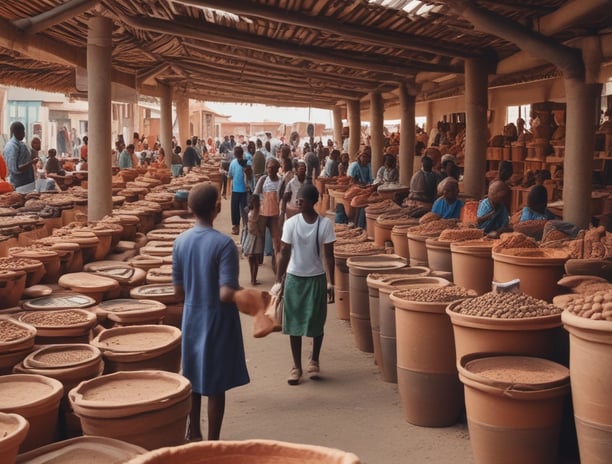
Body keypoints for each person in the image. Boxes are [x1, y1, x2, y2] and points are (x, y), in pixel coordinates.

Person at [172, 183, 249, 441]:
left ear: (190, 208)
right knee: (216, 385)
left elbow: (178, 293)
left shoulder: (180, 242)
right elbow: (225, 293)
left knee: (192, 377)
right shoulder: (224, 245)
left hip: (192, 318)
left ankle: (194, 432)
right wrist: (251, 299)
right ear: (218, 207)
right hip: (217, 319)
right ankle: (213, 442)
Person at [273, 183, 335, 385]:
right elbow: (285, 252)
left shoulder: (324, 225)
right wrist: (278, 280)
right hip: (294, 278)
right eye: (298, 199)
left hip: (316, 278)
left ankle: (314, 360)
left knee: (317, 322)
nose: (299, 202)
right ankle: (296, 366)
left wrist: (330, 282)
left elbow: (329, 256)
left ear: (313, 202)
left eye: (303, 199)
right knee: (294, 324)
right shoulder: (291, 224)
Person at [254, 158, 283, 272]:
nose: (270, 170)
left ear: (277, 169)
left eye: (272, 168)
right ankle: (258, 262)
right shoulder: (263, 179)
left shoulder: (280, 182)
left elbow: (282, 199)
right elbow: (256, 194)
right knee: (259, 239)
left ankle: (277, 267)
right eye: (268, 168)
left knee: (277, 241)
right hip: (262, 213)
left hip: (275, 215)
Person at [3, 121, 38, 193]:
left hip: (26, 183)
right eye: (23, 131)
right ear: (16, 132)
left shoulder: (19, 144)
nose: (24, 134)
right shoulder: (12, 146)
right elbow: (16, 169)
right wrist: (32, 162)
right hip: (20, 185)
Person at [227, 145, 250, 236]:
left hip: (240, 191)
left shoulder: (242, 163)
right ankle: (241, 226)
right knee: (240, 209)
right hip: (241, 190)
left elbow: (230, 176)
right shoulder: (245, 162)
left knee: (237, 209)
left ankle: (240, 226)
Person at [242, 194, 263, 285]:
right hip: (252, 235)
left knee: (254, 258)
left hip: (255, 236)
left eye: (254, 201)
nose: (252, 203)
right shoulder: (252, 210)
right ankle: (253, 278)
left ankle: (254, 278)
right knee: (252, 258)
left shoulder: (259, 211)